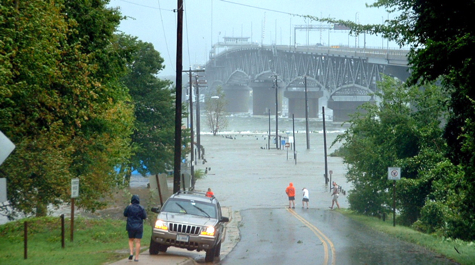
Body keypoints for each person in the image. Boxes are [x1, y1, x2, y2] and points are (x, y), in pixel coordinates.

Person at [124, 194, 147, 262]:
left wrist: (129, 205)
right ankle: (136, 257)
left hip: (130, 226)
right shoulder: (141, 208)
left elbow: (125, 214)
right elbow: (144, 216)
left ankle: (131, 253)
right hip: (139, 227)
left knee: (131, 240)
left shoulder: (129, 207)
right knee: (138, 242)